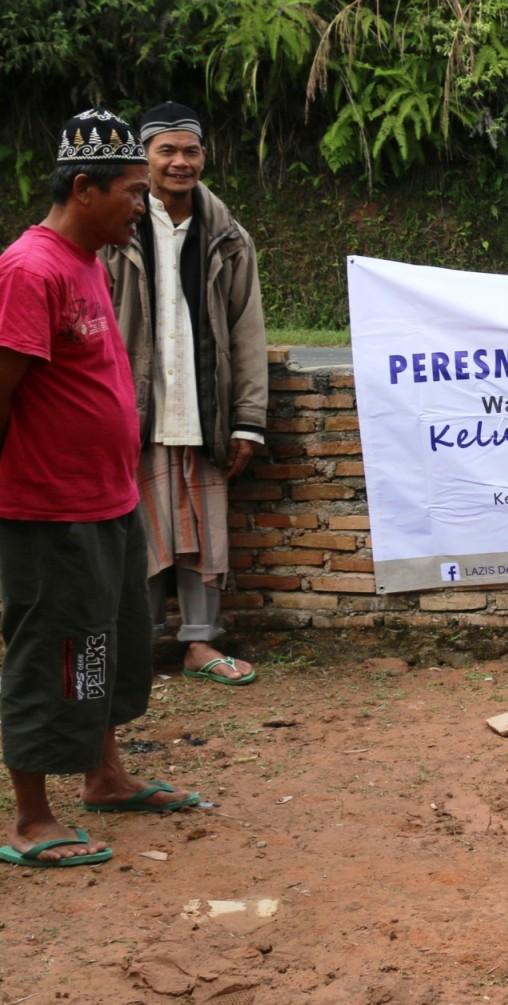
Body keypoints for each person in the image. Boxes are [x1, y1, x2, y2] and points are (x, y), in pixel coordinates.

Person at [0, 109, 203, 870]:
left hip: (108, 499)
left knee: (104, 643)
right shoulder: (30, 269)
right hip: (49, 510)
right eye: (129, 191)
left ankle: (105, 773)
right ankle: (28, 816)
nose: (140, 205)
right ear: (84, 189)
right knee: (47, 651)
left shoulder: (89, 258)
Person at [103, 102, 268, 686]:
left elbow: (247, 329)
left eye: (190, 150)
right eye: (165, 151)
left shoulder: (227, 235)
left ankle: (201, 645)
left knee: (202, 530)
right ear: (143, 159)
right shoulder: (114, 230)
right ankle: (136, 646)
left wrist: (248, 419)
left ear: (204, 156)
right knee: (136, 529)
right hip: (133, 408)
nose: (179, 162)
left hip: (203, 408)